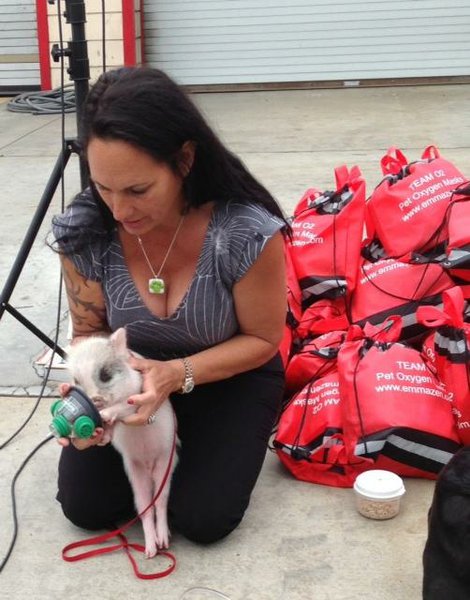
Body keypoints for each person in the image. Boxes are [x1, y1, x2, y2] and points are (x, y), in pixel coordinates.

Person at [51, 66, 289, 545]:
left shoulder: (244, 232)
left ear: (183, 161)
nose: (119, 210)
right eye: (103, 187)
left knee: (203, 519)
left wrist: (176, 375)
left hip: (228, 374)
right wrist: (85, 391)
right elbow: (88, 333)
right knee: (87, 507)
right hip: (127, 383)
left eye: (138, 190)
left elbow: (264, 340)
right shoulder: (85, 231)